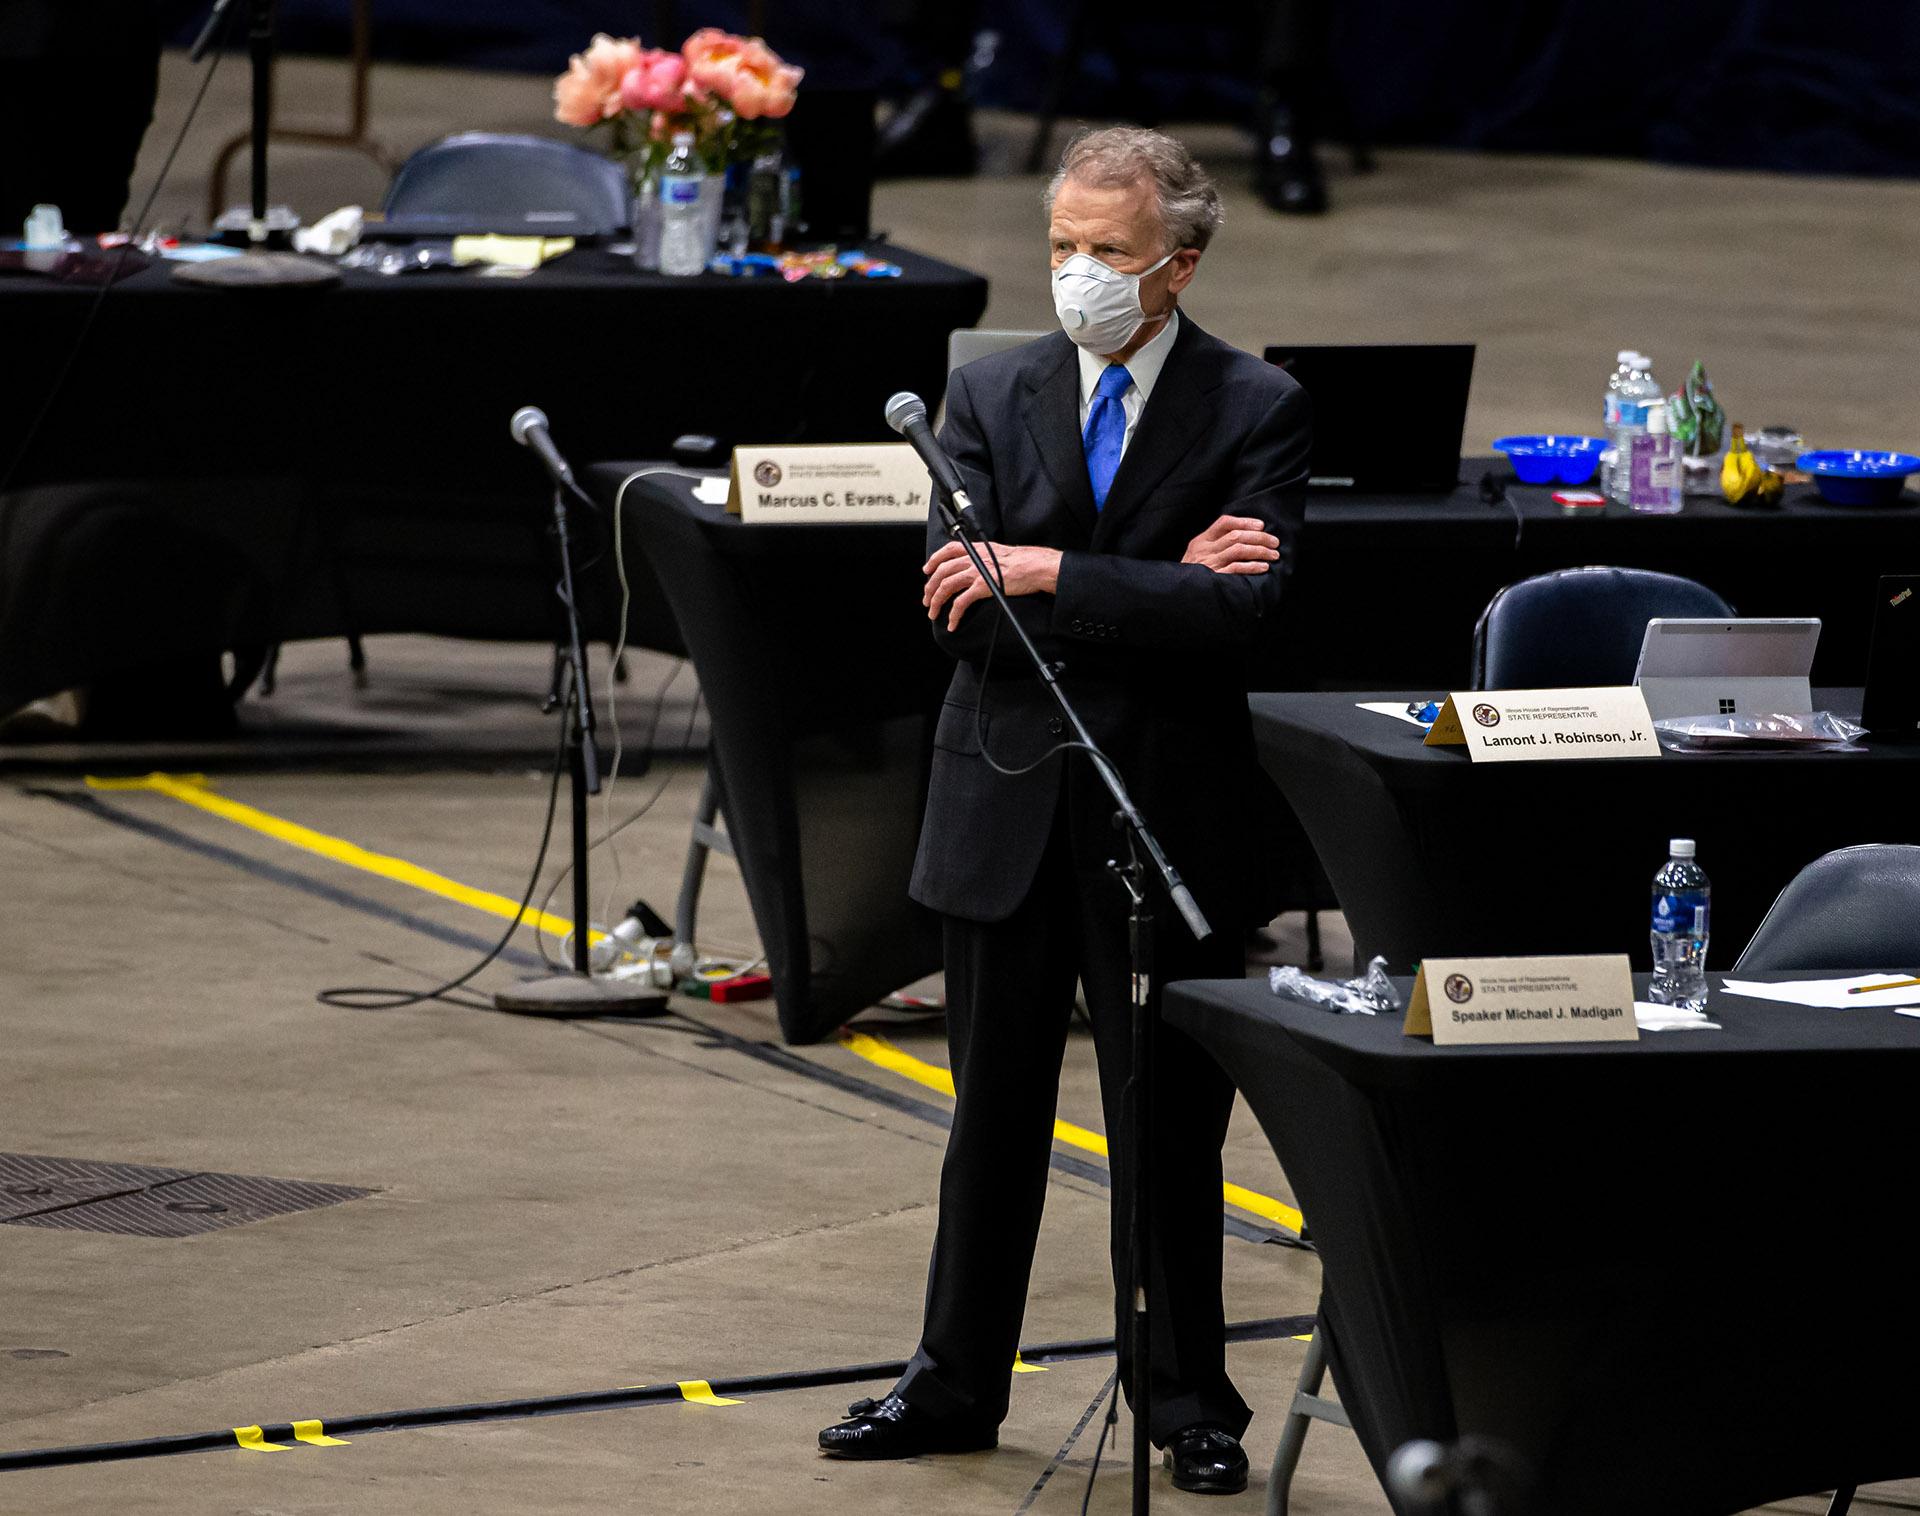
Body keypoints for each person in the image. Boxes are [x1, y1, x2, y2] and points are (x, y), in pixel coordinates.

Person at [817, 126, 1311, 1496]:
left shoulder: (1253, 406)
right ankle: (953, 1379)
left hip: (1165, 816)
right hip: (1006, 810)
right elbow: (961, 619)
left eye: (1107, 251)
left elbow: (1249, 615)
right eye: (1061, 248)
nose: (1077, 273)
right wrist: (1142, 582)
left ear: (1181, 264)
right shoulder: (985, 393)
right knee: (992, 1126)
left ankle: (1185, 1398)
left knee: (1168, 1135)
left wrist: (1047, 571)